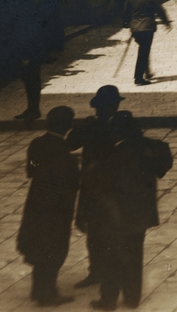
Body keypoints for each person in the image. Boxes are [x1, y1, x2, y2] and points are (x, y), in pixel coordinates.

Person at [92, 111, 173, 311]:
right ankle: (132, 298)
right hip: (142, 215)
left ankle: (108, 300)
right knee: (134, 257)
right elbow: (164, 160)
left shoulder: (114, 155)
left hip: (117, 217)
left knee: (111, 259)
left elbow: (101, 184)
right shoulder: (147, 148)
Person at [16, 105, 78, 306]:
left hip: (36, 204)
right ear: (68, 126)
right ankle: (47, 294)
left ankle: (37, 289)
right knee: (53, 251)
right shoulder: (66, 156)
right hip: (56, 210)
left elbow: (31, 169)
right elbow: (72, 185)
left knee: (38, 247)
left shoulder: (36, 144)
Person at [67, 87, 125, 292]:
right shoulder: (106, 126)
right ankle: (98, 271)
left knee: (100, 230)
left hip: (99, 186)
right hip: (101, 187)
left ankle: (102, 271)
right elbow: (71, 144)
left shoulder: (105, 125)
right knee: (96, 231)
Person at [122, 0, 171, 87]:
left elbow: (126, 13)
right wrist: (166, 22)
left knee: (143, 50)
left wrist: (126, 23)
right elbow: (159, 10)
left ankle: (147, 72)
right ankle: (138, 78)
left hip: (135, 29)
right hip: (147, 28)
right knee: (144, 51)